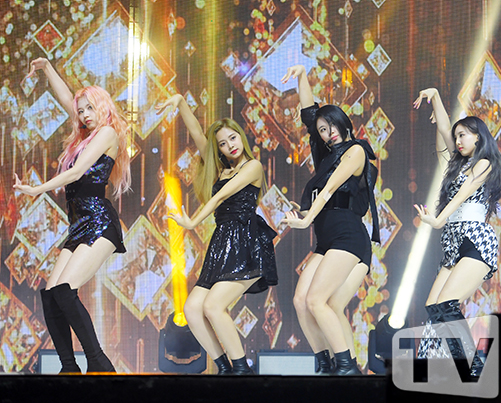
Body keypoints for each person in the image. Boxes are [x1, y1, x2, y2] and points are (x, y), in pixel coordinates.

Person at [14, 58, 131, 373]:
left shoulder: (107, 133)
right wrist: (46, 67)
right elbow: (68, 99)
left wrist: (37, 189)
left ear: (102, 107)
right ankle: (69, 367)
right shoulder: (85, 135)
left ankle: (99, 364)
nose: (84, 114)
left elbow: (78, 172)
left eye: (90, 108)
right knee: (51, 295)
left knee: (65, 290)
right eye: (81, 111)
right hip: (79, 225)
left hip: (100, 222)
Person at [158, 95, 277, 375]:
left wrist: (191, 222)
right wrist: (181, 103)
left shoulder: (252, 167)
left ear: (241, 137)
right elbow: (198, 135)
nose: (229, 145)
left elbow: (221, 196)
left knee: (213, 306)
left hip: (245, 242)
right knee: (192, 309)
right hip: (222, 244)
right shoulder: (221, 168)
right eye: (222, 143)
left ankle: (241, 369)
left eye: (232, 138)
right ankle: (224, 368)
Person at [280, 65, 380, 375]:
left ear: (343, 122)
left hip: (348, 236)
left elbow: (329, 191)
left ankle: (346, 367)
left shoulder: (356, 151)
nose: (328, 132)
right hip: (327, 239)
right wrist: (302, 77)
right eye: (323, 130)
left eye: (332, 124)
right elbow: (310, 116)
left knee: (317, 300)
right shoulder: (325, 158)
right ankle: (326, 365)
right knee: (301, 300)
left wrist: (306, 219)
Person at [413, 87, 501, 379]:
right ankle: (439, 367)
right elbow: (444, 127)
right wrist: (436, 97)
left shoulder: (484, 163)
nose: (458, 141)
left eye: (463, 135)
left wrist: (438, 219)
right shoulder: (459, 164)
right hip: (453, 241)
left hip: (475, 239)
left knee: (445, 304)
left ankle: (474, 366)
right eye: (457, 137)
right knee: (433, 307)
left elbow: (464, 194)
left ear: (478, 136)